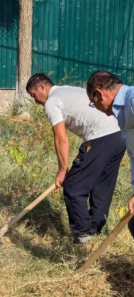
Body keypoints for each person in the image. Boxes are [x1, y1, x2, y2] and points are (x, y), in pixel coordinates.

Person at [26, 73, 125, 244]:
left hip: (100, 136)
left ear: (42, 87)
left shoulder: (52, 102)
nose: (35, 101)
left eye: (34, 95)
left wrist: (63, 170)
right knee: (102, 186)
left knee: (73, 187)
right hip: (118, 135)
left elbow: (61, 138)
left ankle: (83, 234)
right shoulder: (66, 90)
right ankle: (95, 232)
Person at [86, 70, 134, 237]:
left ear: (98, 93)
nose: (97, 108)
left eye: (93, 103)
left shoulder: (133, 100)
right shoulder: (122, 114)